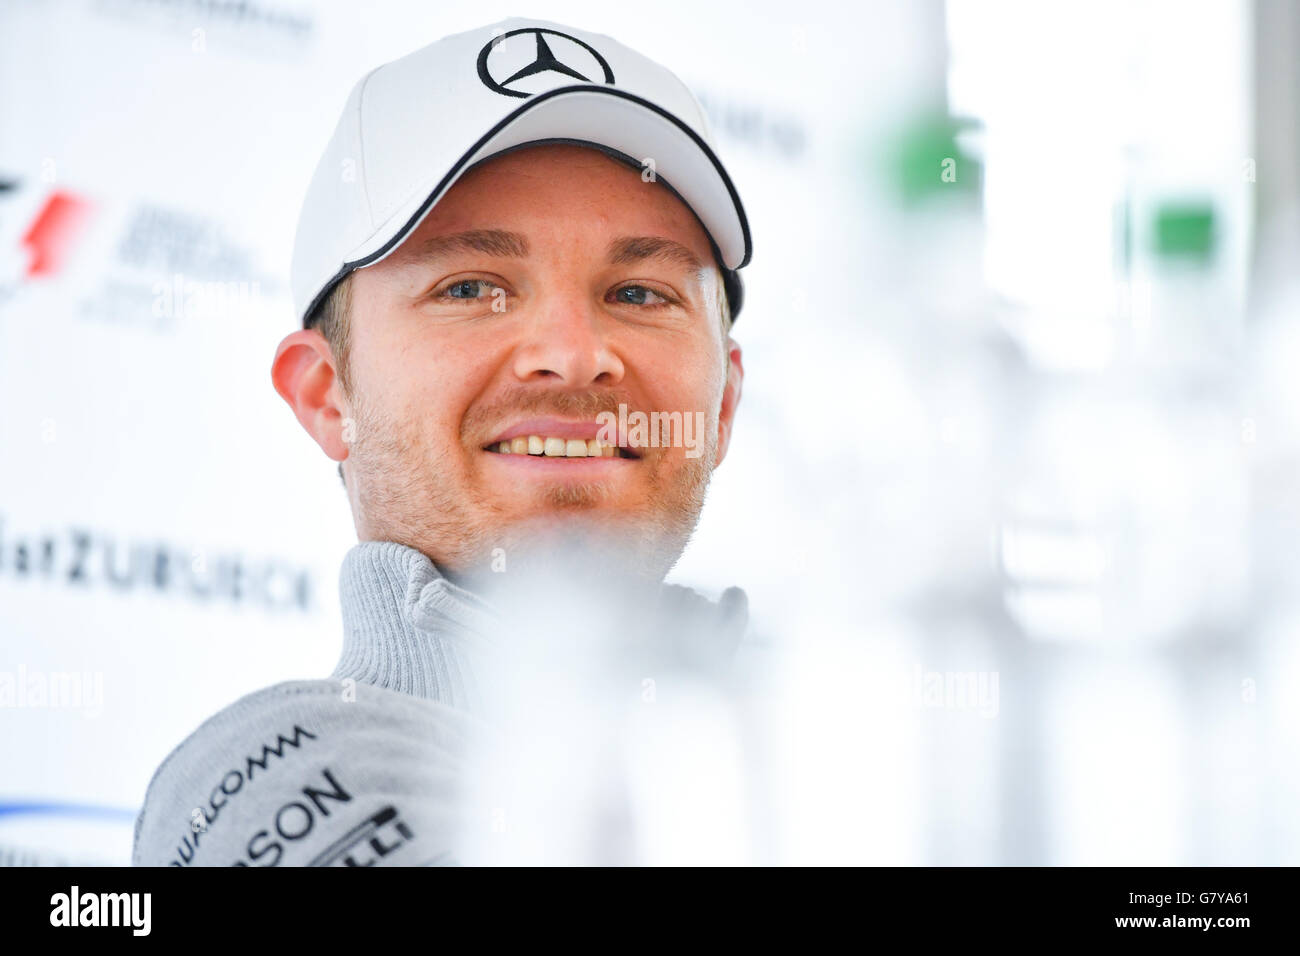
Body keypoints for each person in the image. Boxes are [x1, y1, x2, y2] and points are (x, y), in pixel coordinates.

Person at [131, 15, 754, 867]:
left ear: (723, 405)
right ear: (325, 396)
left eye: (641, 293)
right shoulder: (267, 772)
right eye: (472, 286)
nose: (573, 354)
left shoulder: (865, 715)